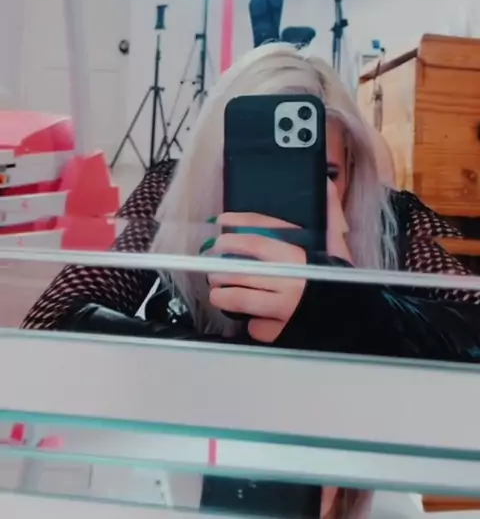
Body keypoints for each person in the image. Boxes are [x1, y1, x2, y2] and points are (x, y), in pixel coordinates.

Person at [21, 43, 480, 519]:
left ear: (352, 173)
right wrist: (253, 363)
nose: (299, 193)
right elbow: (53, 326)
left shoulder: (387, 218)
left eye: (326, 174)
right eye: (251, 171)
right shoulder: (171, 194)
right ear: (212, 171)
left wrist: (345, 307)